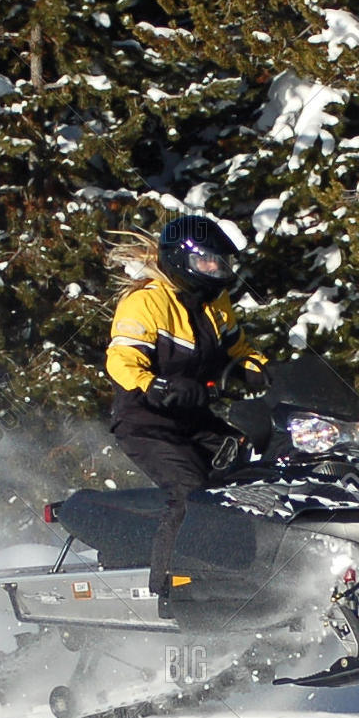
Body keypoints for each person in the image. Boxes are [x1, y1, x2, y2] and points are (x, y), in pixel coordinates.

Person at [104, 215, 266, 612]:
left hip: (193, 417)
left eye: (221, 263)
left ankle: (248, 572)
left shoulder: (216, 304)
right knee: (189, 489)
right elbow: (120, 359)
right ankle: (169, 590)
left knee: (253, 466)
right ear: (183, 260)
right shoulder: (147, 301)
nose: (217, 270)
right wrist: (155, 385)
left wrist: (254, 366)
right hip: (147, 420)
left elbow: (240, 347)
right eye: (209, 262)